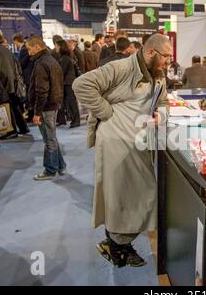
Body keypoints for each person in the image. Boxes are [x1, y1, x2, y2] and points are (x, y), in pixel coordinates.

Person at [72, 34, 171, 268]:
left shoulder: (158, 74)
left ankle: (118, 244)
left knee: (139, 195)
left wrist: (161, 114)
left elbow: (163, 102)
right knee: (120, 196)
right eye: (165, 56)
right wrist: (105, 112)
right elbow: (81, 85)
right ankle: (117, 247)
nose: (168, 61)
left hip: (138, 142)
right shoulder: (120, 67)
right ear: (150, 53)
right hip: (117, 141)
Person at [25, 35, 66, 180]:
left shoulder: (42, 63)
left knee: (49, 139)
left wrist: (36, 113)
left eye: (29, 49)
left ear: (37, 47)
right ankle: (60, 165)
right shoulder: (52, 60)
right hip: (52, 105)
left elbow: (41, 91)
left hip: (46, 107)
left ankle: (50, 170)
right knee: (51, 137)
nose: (29, 53)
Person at [0, 29, 29, 138]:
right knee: (14, 107)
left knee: (7, 108)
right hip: (13, 83)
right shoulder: (7, 50)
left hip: (3, 84)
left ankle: (12, 131)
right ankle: (23, 127)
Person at [58, 40, 80, 128]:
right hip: (70, 82)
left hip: (68, 83)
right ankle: (74, 119)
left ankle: (75, 120)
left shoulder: (64, 58)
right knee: (72, 102)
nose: (57, 48)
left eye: (57, 46)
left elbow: (62, 72)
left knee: (72, 102)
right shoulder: (69, 56)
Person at [13, 33, 34, 122]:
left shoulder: (24, 50)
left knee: (30, 96)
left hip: (28, 76)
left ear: (16, 41)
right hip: (28, 76)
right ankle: (30, 114)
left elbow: (22, 63)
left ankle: (31, 115)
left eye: (14, 42)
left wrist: (18, 65)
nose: (14, 45)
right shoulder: (24, 49)